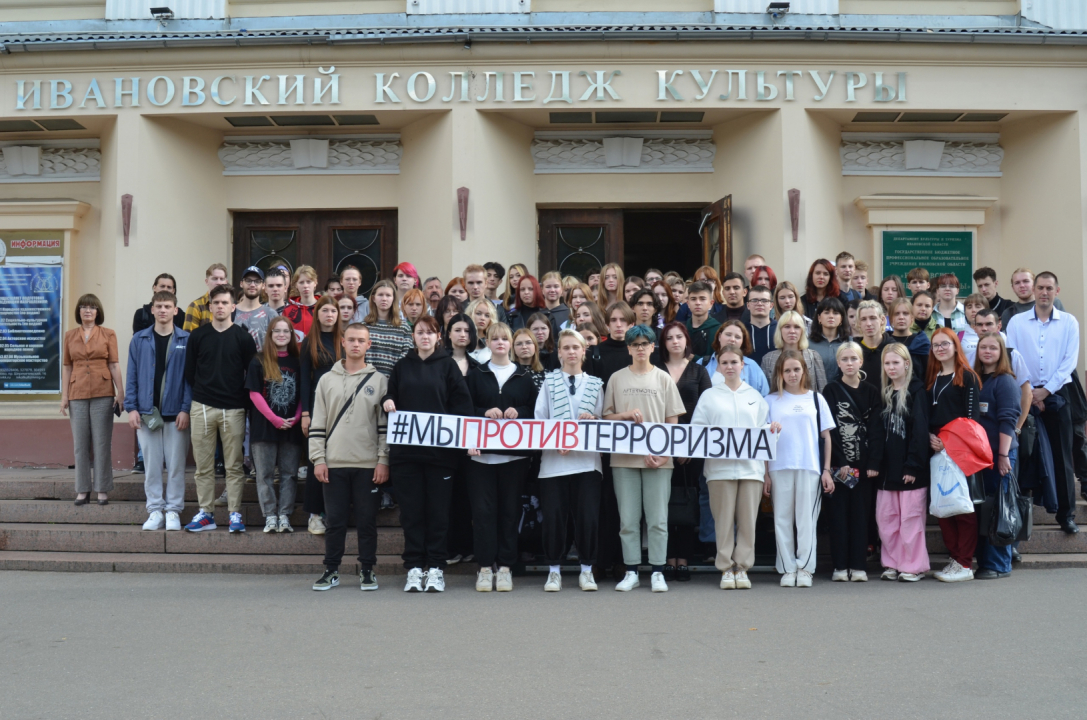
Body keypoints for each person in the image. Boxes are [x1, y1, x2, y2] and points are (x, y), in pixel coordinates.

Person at [383, 315, 474, 592]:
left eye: (430, 333)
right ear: (413, 336)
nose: (424, 337)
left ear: (438, 337)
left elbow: (462, 407)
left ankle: (435, 567)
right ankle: (413, 567)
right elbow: (391, 397)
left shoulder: (448, 367)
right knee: (411, 514)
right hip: (406, 456)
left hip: (441, 457)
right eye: (420, 332)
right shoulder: (401, 367)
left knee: (438, 514)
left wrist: (468, 439)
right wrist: (387, 400)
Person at [603, 324, 684, 593]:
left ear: (652, 347)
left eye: (644, 343)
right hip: (624, 459)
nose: (640, 348)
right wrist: (624, 415)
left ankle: (658, 571)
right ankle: (632, 570)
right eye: (635, 344)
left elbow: (673, 422)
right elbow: (607, 417)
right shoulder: (616, 378)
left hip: (659, 461)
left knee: (658, 518)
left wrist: (665, 455)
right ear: (628, 348)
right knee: (628, 519)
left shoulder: (663, 378)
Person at [309, 323, 389, 592]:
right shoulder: (326, 380)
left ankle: (367, 570)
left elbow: (384, 426)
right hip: (334, 462)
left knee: (367, 522)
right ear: (342, 342)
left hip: (368, 464)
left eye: (361, 340)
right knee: (335, 522)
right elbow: (318, 421)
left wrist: (383, 459)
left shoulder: (379, 380)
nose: (356, 344)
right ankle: (331, 570)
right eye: (351, 340)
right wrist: (318, 459)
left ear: (369, 345)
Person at [691, 344, 773, 590]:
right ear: (718, 366)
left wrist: (772, 431)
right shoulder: (709, 395)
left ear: (742, 365)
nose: (729, 367)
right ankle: (726, 567)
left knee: (748, 521)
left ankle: (743, 567)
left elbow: (763, 433)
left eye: (733, 362)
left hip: (751, 470)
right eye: (724, 362)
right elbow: (697, 430)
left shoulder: (755, 397)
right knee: (723, 521)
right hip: (719, 470)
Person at [465, 323, 539, 592]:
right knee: (483, 513)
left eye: (504, 339)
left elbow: (536, 411)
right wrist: (483, 412)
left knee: (509, 513)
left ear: (510, 343)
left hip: (514, 459)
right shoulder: (476, 375)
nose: (499, 343)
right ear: (487, 342)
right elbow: (463, 409)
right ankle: (485, 568)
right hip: (480, 459)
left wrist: (518, 411)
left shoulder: (524, 376)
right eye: (494, 338)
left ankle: (506, 567)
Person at [1006, 271, 1079, 534]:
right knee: (1025, 456)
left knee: (1062, 458)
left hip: (1057, 395)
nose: (1044, 292)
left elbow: (1069, 362)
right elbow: (1013, 357)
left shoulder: (1069, 322)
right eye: (1040, 288)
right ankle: (1017, 523)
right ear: (1033, 291)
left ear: (1057, 291)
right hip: (1025, 395)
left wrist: (1046, 391)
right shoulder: (1016, 322)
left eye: (1049, 288)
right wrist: (1030, 393)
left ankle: (1066, 515)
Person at [534, 329, 606, 592]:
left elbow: (603, 423)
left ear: (584, 351)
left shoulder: (596, 384)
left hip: (587, 463)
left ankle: (587, 569)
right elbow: (539, 421)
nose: (572, 352)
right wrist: (556, 441)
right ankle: (554, 570)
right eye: (566, 348)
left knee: (587, 517)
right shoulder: (548, 382)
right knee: (554, 517)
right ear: (559, 352)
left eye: (576, 347)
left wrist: (593, 420)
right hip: (554, 463)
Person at [183, 284, 257, 532]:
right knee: (203, 466)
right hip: (202, 406)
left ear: (233, 307)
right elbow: (189, 372)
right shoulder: (198, 336)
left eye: (225, 302)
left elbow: (252, 374)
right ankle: (206, 514)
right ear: (210, 306)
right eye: (216, 303)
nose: (220, 306)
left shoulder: (243, 338)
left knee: (234, 466)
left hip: (234, 409)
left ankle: (235, 514)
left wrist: (243, 404)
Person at [765, 350, 835, 588]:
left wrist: (826, 469)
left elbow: (826, 437)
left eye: (796, 369)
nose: (792, 374)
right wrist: (765, 473)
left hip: (809, 466)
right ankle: (787, 568)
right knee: (782, 519)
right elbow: (763, 441)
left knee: (807, 520)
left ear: (804, 371)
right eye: (787, 370)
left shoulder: (816, 399)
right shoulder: (770, 401)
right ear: (780, 374)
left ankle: (805, 568)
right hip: (779, 466)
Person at [125, 291, 191, 530]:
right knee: (152, 466)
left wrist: (185, 409)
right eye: (159, 306)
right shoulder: (139, 340)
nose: (163, 310)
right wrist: (131, 408)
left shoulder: (186, 339)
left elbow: (190, 379)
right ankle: (155, 510)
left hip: (177, 414)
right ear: (152, 310)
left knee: (175, 466)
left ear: (175, 310)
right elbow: (131, 376)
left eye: (168, 306)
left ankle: (173, 510)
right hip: (146, 413)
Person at [656, 322, 711, 582]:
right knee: (663, 502)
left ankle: (684, 560)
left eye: (679, 337)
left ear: (686, 340)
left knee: (687, 502)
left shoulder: (699, 371)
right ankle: (667, 559)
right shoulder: (654, 371)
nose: (675, 342)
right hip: (659, 445)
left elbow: (706, 410)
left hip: (690, 448)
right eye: (669, 338)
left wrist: (689, 446)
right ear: (663, 343)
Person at [823, 342, 882, 582]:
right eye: (844, 359)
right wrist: (841, 460)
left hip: (864, 465)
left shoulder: (871, 391)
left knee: (860, 515)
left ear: (861, 362)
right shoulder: (830, 390)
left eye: (853, 358)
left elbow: (877, 430)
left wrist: (873, 463)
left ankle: (858, 565)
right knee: (838, 516)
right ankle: (839, 566)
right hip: (839, 466)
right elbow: (830, 431)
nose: (849, 363)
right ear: (838, 363)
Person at [927, 328, 981, 582]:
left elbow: (971, 420)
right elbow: (926, 415)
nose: (940, 348)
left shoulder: (967, 377)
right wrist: (929, 437)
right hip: (935, 447)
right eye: (936, 345)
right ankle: (954, 557)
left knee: (962, 506)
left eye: (945, 344)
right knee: (942, 504)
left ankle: (965, 563)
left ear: (955, 346)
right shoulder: (931, 377)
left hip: (959, 448)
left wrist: (950, 442)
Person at [876, 343, 931, 582]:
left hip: (911, 470)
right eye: (887, 363)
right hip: (887, 472)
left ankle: (913, 566)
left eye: (895, 362)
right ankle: (892, 563)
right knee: (887, 520)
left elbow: (920, 431)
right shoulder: (884, 393)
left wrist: (913, 465)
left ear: (906, 364)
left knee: (910, 520)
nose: (891, 367)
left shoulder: (916, 390)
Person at [62, 294, 123, 506]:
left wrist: (120, 393)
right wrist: (64, 397)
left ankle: (102, 489)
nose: (88, 310)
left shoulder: (108, 334)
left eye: (92, 307)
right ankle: (82, 489)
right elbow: (67, 366)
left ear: (98, 312)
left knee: (101, 442)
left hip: (103, 391)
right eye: (84, 307)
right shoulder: (70, 336)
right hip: (77, 392)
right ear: (78, 311)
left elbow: (114, 364)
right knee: (80, 444)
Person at [245, 316, 303, 534]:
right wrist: (274, 419)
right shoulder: (258, 360)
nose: (281, 335)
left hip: (292, 426)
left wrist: (296, 418)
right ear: (269, 335)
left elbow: (302, 395)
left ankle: (284, 515)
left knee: (290, 473)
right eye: (277, 331)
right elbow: (254, 394)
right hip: (265, 426)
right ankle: (270, 515)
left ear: (291, 335)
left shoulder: (297, 362)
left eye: (286, 331)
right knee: (265, 474)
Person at [973, 332, 1021, 579]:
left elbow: (1007, 422)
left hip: (1000, 456)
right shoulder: (978, 379)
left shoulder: (1005, 381)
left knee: (999, 510)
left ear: (1001, 352)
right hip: (979, 458)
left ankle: (999, 564)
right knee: (985, 511)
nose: (988, 351)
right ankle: (985, 562)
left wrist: (1003, 456)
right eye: (983, 347)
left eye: (993, 347)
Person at [300, 296, 343, 535]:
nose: (329, 314)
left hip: (342, 409)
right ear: (317, 314)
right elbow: (305, 380)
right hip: (317, 409)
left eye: (333, 311)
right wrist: (306, 413)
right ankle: (314, 515)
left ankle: (333, 512)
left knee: (337, 460)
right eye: (324, 310)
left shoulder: (344, 341)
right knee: (317, 459)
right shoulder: (309, 343)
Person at [443, 313, 479, 565]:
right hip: (445, 439)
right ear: (448, 333)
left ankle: (468, 546)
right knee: (449, 496)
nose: (462, 334)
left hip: (472, 439)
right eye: (457, 329)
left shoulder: (478, 366)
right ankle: (451, 547)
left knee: (468, 495)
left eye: (467, 330)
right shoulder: (439, 363)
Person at [760, 310, 828, 393]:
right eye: (787, 327)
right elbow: (765, 392)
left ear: (802, 331)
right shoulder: (768, 359)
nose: (792, 331)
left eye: (796, 327)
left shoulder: (813, 356)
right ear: (780, 330)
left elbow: (823, 390)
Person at [699, 321, 771, 397]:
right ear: (719, 337)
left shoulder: (751, 366)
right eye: (728, 335)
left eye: (737, 337)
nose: (732, 339)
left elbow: (764, 397)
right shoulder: (703, 363)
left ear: (742, 342)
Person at [362, 279, 414, 377]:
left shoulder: (403, 328)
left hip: (395, 381)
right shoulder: (364, 326)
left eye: (388, 295)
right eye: (380, 295)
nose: (384, 299)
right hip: (367, 381)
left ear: (393, 298)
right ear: (373, 298)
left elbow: (407, 355)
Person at [1000, 267, 1065, 328]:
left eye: (1026, 281)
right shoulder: (1009, 313)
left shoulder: (1053, 302)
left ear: (1034, 284)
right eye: (1017, 283)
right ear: (1013, 288)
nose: (1022, 285)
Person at [887, 297, 931, 382]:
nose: (901, 317)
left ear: (912, 317)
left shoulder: (921, 343)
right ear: (891, 318)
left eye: (905, 313)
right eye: (897, 314)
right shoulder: (885, 342)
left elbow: (927, 373)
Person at [808, 297, 850, 385]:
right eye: (826, 313)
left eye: (835, 313)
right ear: (819, 318)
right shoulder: (808, 344)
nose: (831, 316)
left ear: (841, 319)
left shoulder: (849, 342)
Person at [234, 265, 275, 349]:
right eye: (248, 280)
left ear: (263, 285)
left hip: (262, 361)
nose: (252, 284)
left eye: (257, 281)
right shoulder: (231, 311)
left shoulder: (270, 314)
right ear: (241, 283)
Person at [856, 300, 893, 390]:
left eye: (873, 318)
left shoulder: (894, 348)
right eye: (864, 319)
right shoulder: (853, 351)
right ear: (859, 323)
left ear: (882, 319)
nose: (868, 324)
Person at [183, 263, 228, 331]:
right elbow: (189, 338)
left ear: (226, 282)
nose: (219, 282)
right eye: (215, 279)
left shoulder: (232, 306)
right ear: (207, 282)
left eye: (221, 279)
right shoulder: (195, 306)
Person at [684, 281, 721, 363]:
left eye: (702, 299)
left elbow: (720, 360)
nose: (698, 303)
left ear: (711, 303)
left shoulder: (719, 330)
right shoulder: (681, 329)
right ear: (688, 303)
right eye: (693, 299)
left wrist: (694, 358)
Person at [284, 265, 319, 341]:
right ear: (296, 285)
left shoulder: (323, 308)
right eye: (301, 282)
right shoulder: (288, 310)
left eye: (309, 282)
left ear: (315, 282)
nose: (305, 286)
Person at [745, 284, 777, 367]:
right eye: (754, 300)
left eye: (764, 300)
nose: (759, 304)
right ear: (748, 305)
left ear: (771, 305)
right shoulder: (740, 331)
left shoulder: (780, 329)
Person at [466, 298, 499, 362]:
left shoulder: (494, 341)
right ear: (470, 314)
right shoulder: (463, 338)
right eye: (478, 313)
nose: (482, 318)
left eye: (487, 315)